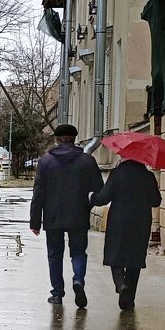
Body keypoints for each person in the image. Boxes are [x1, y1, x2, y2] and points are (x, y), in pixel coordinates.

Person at [30, 124, 104, 308]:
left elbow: (38, 192)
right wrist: (88, 201)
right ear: (74, 138)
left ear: (57, 139)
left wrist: (35, 221)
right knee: (78, 252)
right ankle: (78, 280)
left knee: (55, 255)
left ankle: (57, 294)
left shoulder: (46, 161)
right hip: (79, 215)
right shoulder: (87, 161)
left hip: (53, 216)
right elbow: (99, 190)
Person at [90, 158, 161, 312]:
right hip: (141, 223)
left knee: (115, 255)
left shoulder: (117, 174)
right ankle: (128, 301)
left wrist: (92, 198)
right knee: (134, 260)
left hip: (119, 222)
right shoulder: (148, 176)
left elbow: (103, 198)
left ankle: (121, 284)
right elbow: (156, 201)